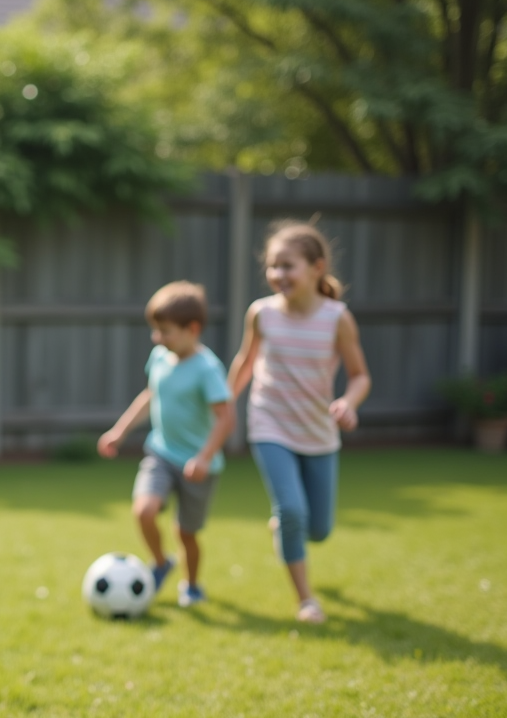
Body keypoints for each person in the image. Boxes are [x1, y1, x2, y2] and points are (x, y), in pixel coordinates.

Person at [225, 220, 371, 624]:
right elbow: (246, 362)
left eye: (287, 265)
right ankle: (306, 599)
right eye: (272, 266)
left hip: (318, 431)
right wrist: (223, 401)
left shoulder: (337, 318)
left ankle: (287, 528)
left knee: (319, 529)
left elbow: (360, 375)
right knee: (291, 509)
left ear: (316, 268)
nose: (277, 275)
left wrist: (348, 401)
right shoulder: (261, 313)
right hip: (269, 422)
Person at [98, 281, 236, 607]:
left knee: (186, 533)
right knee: (144, 511)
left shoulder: (207, 369)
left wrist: (204, 457)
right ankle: (161, 563)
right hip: (161, 453)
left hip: (198, 466)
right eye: (155, 331)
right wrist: (120, 431)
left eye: (165, 331)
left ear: (193, 329)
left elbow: (227, 418)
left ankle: (191, 584)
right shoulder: (159, 357)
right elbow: (149, 396)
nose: (156, 338)